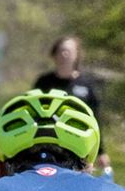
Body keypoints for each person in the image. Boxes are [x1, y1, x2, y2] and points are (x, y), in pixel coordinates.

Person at [34, 35, 110, 176]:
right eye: (61, 51)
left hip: (80, 145)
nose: (64, 55)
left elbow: (95, 119)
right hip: (48, 144)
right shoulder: (44, 83)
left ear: (77, 55)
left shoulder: (86, 85)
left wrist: (100, 151)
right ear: (54, 54)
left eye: (68, 51)